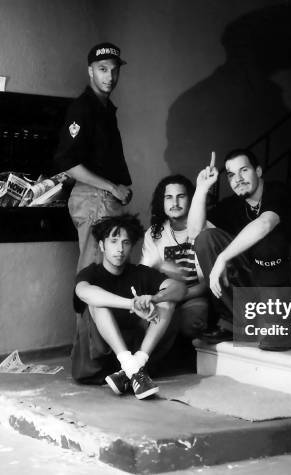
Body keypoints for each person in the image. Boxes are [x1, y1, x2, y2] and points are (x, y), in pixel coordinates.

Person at [187, 149, 291, 347]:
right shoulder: (234, 205)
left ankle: (279, 328)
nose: (238, 179)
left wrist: (223, 258)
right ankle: (238, 322)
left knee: (265, 238)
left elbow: (265, 223)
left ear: (259, 171)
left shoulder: (279, 191)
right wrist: (201, 189)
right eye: (231, 175)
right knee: (206, 239)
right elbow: (194, 233)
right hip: (265, 281)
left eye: (244, 170)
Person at [73, 214, 187, 400]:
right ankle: (132, 367)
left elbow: (179, 289)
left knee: (167, 300)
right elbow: (84, 292)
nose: (120, 249)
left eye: (125, 243)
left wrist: (154, 299)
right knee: (97, 303)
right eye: (114, 241)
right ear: (102, 246)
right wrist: (132, 304)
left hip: (138, 352)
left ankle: (133, 369)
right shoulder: (91, 273)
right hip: (98, 360)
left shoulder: (140, 273)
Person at [53, 42, 133, 273]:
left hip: (105, 199)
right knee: (96, 275)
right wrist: (112, 188)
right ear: (90, 70)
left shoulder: (105, 108)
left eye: (114, 69)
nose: (110, 76)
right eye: (102, 69)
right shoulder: (83, 108)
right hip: (96, 199)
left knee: (107, 275)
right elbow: (66, 162)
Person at [140, 175, 212, 343]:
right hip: (164, 296)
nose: (175, 203)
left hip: (194, 295)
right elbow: (146, 274)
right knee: (146, 321)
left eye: (181, 196)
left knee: (191, 321)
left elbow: (205, 285)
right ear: (162, 201)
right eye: (169, 197)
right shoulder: (153, 233)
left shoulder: (207, 229)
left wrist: (176, 296)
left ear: (191, 199)